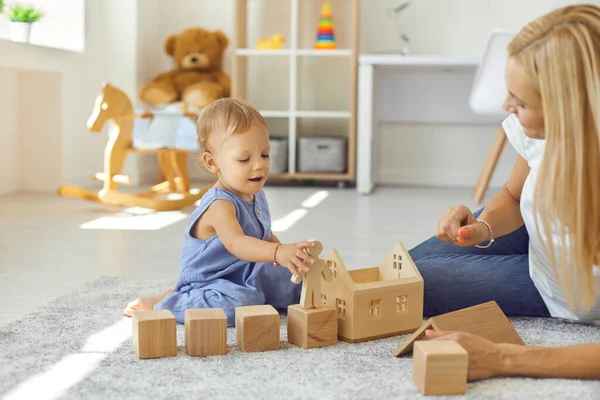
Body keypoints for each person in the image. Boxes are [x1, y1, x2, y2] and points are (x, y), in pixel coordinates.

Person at [409, 4, 600, 380]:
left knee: (410, 286)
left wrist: (502, 358)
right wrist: (482, 227)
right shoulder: (540, 136)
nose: (505, 107)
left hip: (560, 290)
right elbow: (513, 196)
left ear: (570, 110)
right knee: (397, 274)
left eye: (522, 102)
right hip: (542, 238)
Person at [123, 98, 316, 326]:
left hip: (245, 271)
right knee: (241, 305)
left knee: (295, 280)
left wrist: (286, 256)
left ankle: (301, 290)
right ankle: (167, 302)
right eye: (244, 159)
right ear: (213, 163)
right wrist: (278, 252)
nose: (258, 165)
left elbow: (263, 235)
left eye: (264, 155)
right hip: (212, 282)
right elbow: (238, 243)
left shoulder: (255, 192)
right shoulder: (219, 204)